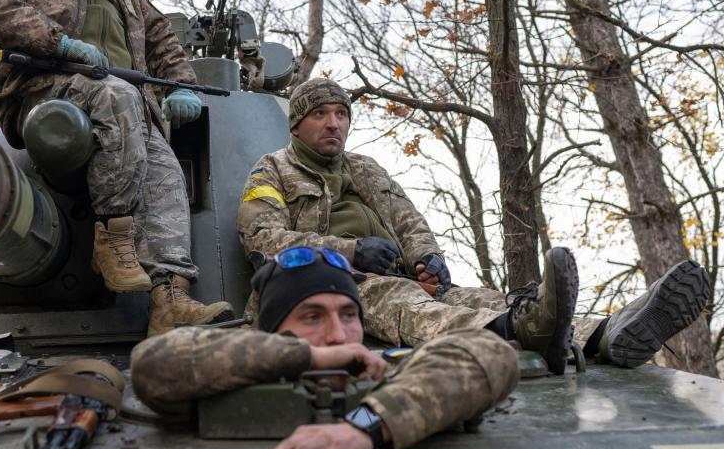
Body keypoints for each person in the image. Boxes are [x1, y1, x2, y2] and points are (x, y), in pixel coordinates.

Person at [237, 78, 712, 372]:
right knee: (403, 302)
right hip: (331, 283)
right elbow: (261, 239)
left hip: (400, 276)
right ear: (296, 124)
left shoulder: (366, 168)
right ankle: (517, 331)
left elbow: (409, 219)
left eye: (341, 114)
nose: (334, 123)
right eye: (320, 114)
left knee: (476, 295)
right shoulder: (272, 169)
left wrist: (428, 258)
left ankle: (605, 332)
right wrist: (351, 252)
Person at [0, 0, 231, 334]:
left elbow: (159, 35)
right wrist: (58, 43)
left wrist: (180, 84)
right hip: (44, 89)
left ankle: (170, 300)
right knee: (119, 95)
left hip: (123, 104)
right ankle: (113, 237)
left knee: (166, 175)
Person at [131, 246, 520, 449]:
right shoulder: (233, 370)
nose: (338, 335)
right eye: (312, 316)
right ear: (273, 330)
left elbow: (491, 353)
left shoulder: (390, 372)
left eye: (349, 316)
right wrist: (308, 356)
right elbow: (153, 365)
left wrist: (366, 423)